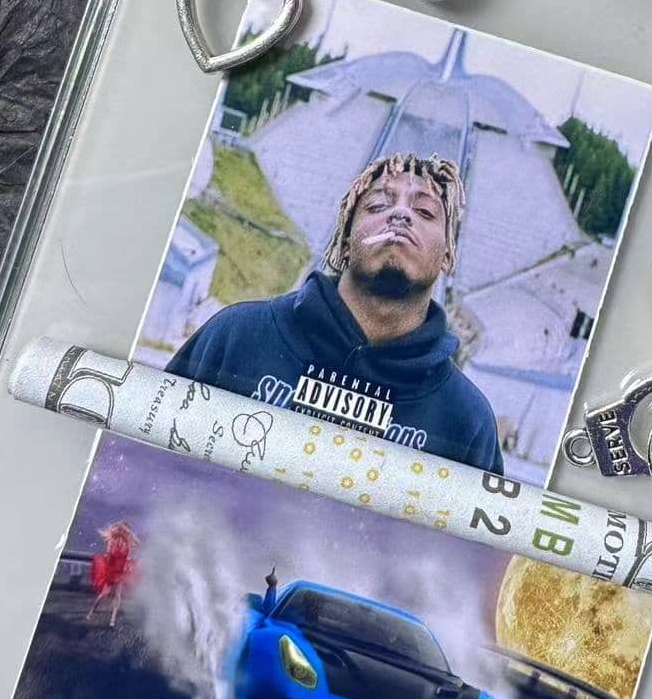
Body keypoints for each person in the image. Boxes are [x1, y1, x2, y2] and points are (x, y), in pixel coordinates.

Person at [166, 153, 503, 473]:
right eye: (378, 205)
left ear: (447, 256)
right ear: (344, 241)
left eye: (425, 212)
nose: (401, 215)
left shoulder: (467, 421)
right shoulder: (237, 336)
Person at [87, 520, 139, 627]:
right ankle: (92, 611)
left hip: (121, 571)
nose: (124, 532)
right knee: (104, 593)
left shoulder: (128, 542)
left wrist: (130, 537)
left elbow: (136, 546)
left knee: (117, 595)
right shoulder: (113, 541)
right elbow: (109, 554)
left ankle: (112, 620)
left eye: (125, 531)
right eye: (123, 530)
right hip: (112, 570)